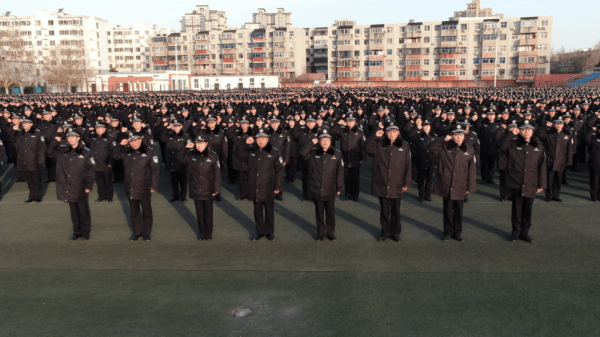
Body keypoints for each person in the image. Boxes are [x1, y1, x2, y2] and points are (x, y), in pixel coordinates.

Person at [498, 120, 547, 243]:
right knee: (517, 210)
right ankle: (515, 233)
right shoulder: (513, 144)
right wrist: (511, 134)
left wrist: (541, 183)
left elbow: (542, 166)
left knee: (527, 210)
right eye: (523, 129)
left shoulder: (539, 146)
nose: (526, 132)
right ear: (519, 130)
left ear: (533, 131)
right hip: (516, 182)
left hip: (531, 183)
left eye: (529, 129)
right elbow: (500, 146)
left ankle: (525, 233)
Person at [428, 125, 477, 242]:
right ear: (452, 136)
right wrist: (443, 139)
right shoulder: (444, 147)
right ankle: (447, 232)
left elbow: (472, 170)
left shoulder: (469, 150)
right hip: (446, 184)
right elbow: (430, 148)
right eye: (456, 134)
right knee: (448, 210)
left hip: (461, 185)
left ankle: (457, 232)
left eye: (460, 134)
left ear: (464, 136)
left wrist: (470, 187)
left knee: (459, 211)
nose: (458, 137)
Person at [365, 122, 412, 242]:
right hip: (382, 182)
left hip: (397, 183)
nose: (392, 134)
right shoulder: (379, 144)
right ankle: (385, 232)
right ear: (386, 132)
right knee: (384, 210)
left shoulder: (404, 146)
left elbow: (408, 165)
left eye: (394, 131)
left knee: (396, 210)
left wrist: (406, 182)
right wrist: (375, 136)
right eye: (389, 131)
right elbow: (366, 148)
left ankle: (395, 233)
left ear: (398, 132)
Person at [46, 129, 95, 240]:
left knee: (83, 211)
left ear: (78, 138)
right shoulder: (62, 151)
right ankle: (77, 232)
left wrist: (88, 185)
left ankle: (85, 232)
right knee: (73, 212)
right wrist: (55, 141)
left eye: (73, 136)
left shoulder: (86, 152)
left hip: (80, 186)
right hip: (67, 186)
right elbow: (49, 153)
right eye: (68, 137)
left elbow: (90, 171)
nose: (70, 139)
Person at [237, 128, 284, 241]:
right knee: (257, 212)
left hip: (269, 187)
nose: (261, 141)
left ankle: (269, 233)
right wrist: (245, 143)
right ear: (255, 139)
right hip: (255, 187)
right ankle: (260, 232)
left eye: (263, 138)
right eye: (258, 138)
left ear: (267, 139)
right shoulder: (251, 150)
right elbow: (239, 154)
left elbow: (279, 171)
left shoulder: (274, 151)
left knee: (269, 212)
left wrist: (278, 187)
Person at [113, 132, 160, 242]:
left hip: (144, 187)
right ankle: (137, 232)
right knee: (134, 213)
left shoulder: (149, 152)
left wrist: (153, 185)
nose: (133, 143)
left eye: (135, 140)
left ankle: (146, 233)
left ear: (140, 140)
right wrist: (120, 144)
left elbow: (155, 171)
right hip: (130, 187)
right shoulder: (126, 152)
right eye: (131, 141)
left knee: (147, 212)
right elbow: (115, 156)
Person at [300, 129, 344, 241]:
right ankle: (320, 233)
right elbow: (302, 152)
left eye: (327, 140)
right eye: (322, 140)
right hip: (316, 188)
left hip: (330, 188)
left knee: (330, 213)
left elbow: (340, 172)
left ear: (331, 141)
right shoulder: (313, 153)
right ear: (319, 141)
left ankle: (330, 233)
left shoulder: (337, 154)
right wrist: (312, 142)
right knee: (319, 213)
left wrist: (339, 187)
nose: (325, 142)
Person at [177, 135, 221, 240]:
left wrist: (216, 189)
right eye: (197, 143)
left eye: (202, 143)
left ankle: (209, 234)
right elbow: (179, 158)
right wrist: (185, 147)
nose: (199, 145)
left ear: (206, 143)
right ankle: (202, 234)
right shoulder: (190, 154)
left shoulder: (213, 156)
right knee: (200, 215)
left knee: (208, 215)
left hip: (208, 190)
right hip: (195, 189)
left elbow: (217, 174)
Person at [536, 116, 573, 202]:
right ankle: (548, 196)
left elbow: (569, 149)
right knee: (549, 180)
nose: (558, 125)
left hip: (561, 161)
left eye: (560, 123)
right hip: (549, 161)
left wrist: (569, 161)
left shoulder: (567, 134)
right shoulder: (549, 134)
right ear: (553, 124)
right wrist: (545, 125)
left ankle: (556, 195)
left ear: (563, 124)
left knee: (558, 180)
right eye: (556, 123)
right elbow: (538, 133)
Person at [9, 116, 46, 203]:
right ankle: (31, 196)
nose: (24, 125)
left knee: (36, 180)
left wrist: (41, 159)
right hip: (24, 160)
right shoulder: (20, 133)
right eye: (23, 123)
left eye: (26, 123)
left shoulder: (37, 133)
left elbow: (42, 148)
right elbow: (11, 139)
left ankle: (38, 196)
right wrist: (13, 130)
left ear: (31, 124)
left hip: (34, 160)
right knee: (29, 180)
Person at [331, 114, 367, 202]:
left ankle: (355, 195)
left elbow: (363, 145)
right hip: (345, 157)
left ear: (355, 122)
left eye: (352, 121)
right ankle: (347, 195)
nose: (350, 122)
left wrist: (363, 157)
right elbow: (333, 131)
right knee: (346, 177)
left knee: (355, 178)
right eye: (348, 121)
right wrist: (338, 123)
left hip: (356, 158)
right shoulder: (342, 130)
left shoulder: (360, 131)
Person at [161, 119, 191, 202]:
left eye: (178, 126)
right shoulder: (170, 135)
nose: (176, 128)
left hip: (182, 162)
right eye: (175, 126)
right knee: (174, 181)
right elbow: (162, 138)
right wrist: (167, 128)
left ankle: (183, 196)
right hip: (172, 161)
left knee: (183, 181)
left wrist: (185, 160)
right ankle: (175, 195)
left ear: (181, 126)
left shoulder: (186, 136)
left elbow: (189, 149)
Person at [86, 122, 115, 202]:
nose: (98, 130)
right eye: (97, 128)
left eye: (100, 128)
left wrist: (111, 161)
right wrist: (88, 131)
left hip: (105, 163)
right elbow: (85, 140)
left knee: (107, 181)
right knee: (99, 182)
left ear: (104, 129)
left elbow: (113, 150)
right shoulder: (92, 137)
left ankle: (109, 197)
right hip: (96, 163)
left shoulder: (109, 138)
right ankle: (102, 196)